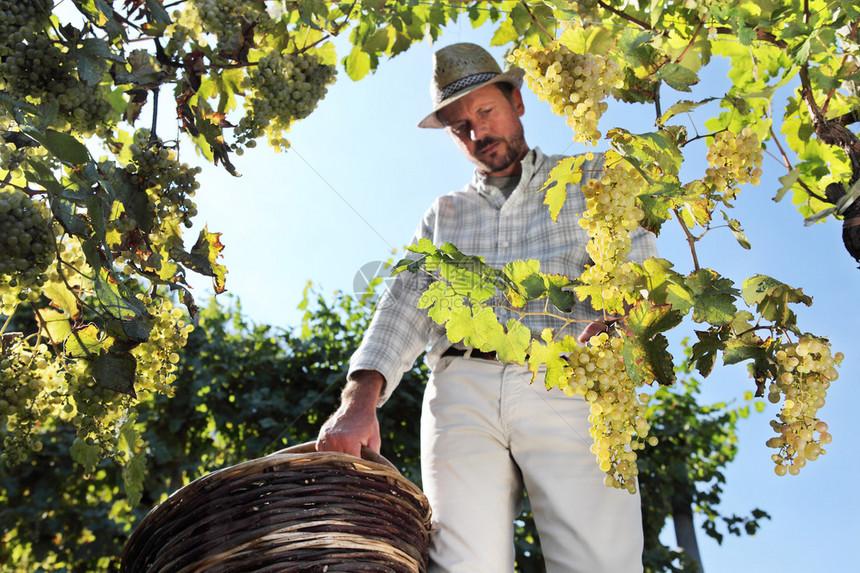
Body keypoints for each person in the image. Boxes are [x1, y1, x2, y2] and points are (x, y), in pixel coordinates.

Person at [317, 42, 657, 572]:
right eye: (460, 126)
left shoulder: (591, 178)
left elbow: (637, 272)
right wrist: (359, 401)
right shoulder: (444, 213)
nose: (477, 133)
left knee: (602, 562)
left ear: (516, 102)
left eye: (484, 111)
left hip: (567, 376)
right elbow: (404, 302)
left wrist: (617, 331)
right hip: (461, 392)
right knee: (459, 567)